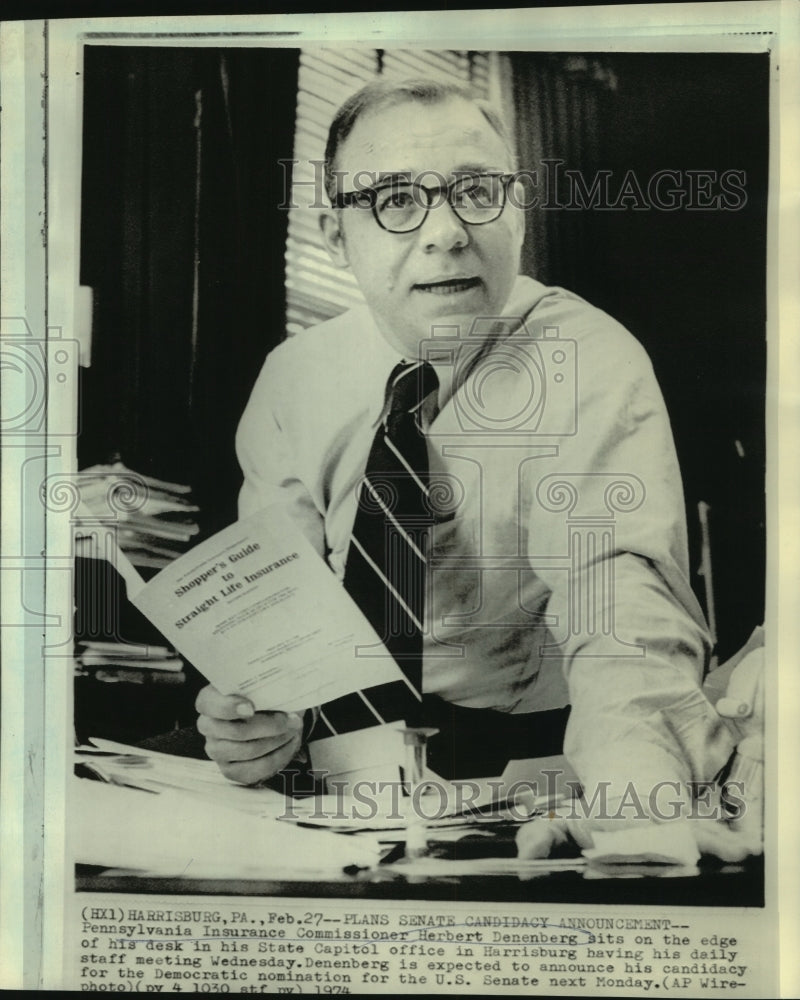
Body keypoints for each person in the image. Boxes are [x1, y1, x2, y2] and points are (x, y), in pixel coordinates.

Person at [195, 78, 756, 861]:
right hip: (338, 791)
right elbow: (278, 628)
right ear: (334, 233)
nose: (447, 233)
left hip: (539, 781)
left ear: (518, 209)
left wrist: (640, 818)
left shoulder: (588, 359)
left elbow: (623, 609)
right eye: (394, 198)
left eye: (478, 192)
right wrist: (256, 723)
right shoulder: (294, 379)